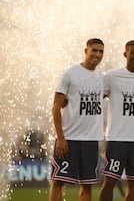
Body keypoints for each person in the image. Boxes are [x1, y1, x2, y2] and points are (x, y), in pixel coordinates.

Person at [99, 40, 134, 201]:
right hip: (117, 139)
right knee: (110, 181)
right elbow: (96, 96)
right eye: (133, 53)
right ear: (125, 54)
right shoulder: (112, 76)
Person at [49, 38, 104, 201]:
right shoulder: (70, 73)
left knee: (87, 185)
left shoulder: (103, 77)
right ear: (85, 51)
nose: (97, 54)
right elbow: (56, 106)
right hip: (69, 139)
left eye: (101, 51)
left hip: (90, 141)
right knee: (58, 182)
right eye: (94, 50)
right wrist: (60, 137)